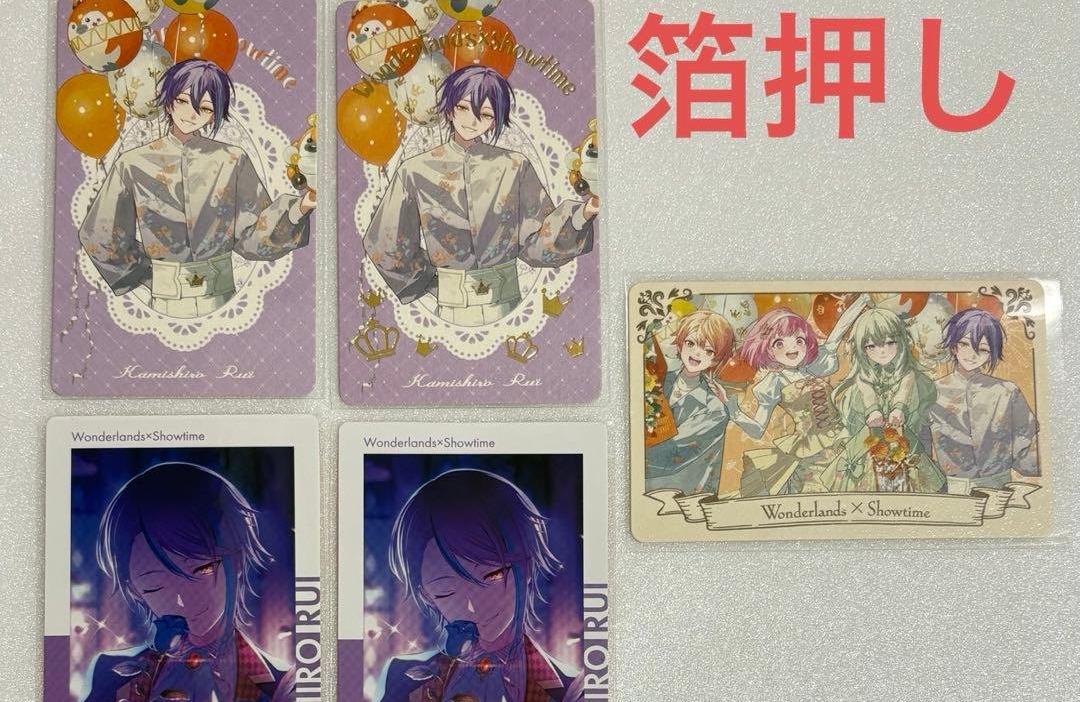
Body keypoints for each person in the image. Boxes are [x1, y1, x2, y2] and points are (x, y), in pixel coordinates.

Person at [69, 463, 296, 702]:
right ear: (134, 589)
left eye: (199, 570)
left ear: (236, 561)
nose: (180, 600)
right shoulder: (111, 680)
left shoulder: (285, 687)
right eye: (154, 585)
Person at [364, 469, 585, 702]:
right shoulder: (403, 683)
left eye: (491, 576)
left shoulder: (573, 697)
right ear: (427, 595)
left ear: (526, 567)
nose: (471, 606)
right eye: (446, 590)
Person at [364, 64, 598, 325]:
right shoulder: (414, 170)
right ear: (449, 108)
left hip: (508, 306)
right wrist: (429, 282)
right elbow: (384, 242)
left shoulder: (515, 165)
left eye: (485, 114)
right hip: (449, 308)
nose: (472, 121)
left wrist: (582, 215)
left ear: (495, 120)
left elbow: (537, 242)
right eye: (463, 107)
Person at [78, 59, 314, 318]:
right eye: (182, 101)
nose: (191, 114)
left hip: (222, 299)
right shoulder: (132, 163)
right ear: (169, 101)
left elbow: (254, 237)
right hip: (163, 300)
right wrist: (145, 274)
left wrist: (300, 209)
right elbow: (100, 233)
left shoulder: (233, 159)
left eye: (204, 108)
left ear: (214, 113)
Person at [730, 294, 871, 496]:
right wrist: (734, 412)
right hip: (811, 452)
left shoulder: (814, 366)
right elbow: (758, 429)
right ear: (768, 350)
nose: (792, 348)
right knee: (815, 496)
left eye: (799, 340)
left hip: (842, 440)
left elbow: (840, 327)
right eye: (779, 343)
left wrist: (863, 299)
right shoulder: (773, 383)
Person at [825, 308, 946, 493]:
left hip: (903, 439)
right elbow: (866, 392)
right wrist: (872, 410)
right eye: (871, 346)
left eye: (890, 343)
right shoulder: (863, 377)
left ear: (901, 342)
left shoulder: (908, 374)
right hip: (870, 442)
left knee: (909, 483)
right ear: (862, 349)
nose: (882, 351)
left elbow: (905, 389)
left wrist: (899, 408)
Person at [643, 309, 756, 496]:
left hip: (674, 492)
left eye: (708, 350)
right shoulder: (657, 378)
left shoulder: (715, 410)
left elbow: (670, 456)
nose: (697, 353)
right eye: (691, 343)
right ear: (680, 343)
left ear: (717, 358)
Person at [928, 307, 1039, 492]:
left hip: (1000, 489)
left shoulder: (1007, 391)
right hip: (949, 492)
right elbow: (920, 451)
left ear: (991, 353)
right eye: (964, 344)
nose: (972, 355)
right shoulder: (931, 392)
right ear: (954, 346)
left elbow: (1027, 447)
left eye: (982, 349)